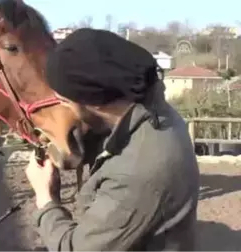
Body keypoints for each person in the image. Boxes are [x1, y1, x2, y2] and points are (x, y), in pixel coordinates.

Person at [25, 28, 199, 252]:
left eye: (66, 102)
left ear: (95, 104)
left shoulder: (139, 170)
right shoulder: (155, 112)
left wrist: (46, 198)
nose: (67, 110)